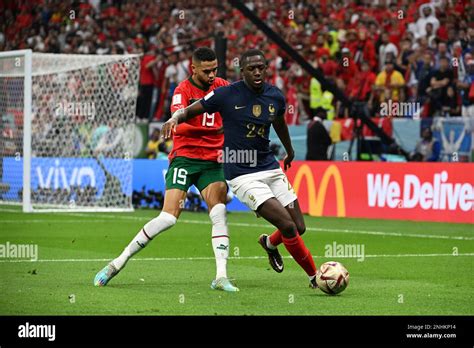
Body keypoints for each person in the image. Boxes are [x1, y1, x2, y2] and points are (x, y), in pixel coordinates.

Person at [163, 49, 319, 289]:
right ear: (242, 71)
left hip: (269, 165)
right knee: (287, 226)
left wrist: (290, 150)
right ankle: (315, 277)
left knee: (299, 226)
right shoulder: (226, 94)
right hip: (241, 173)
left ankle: (269, 244)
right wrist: (174, 119)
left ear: (266, 68)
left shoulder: (275, 96)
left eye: (261, 67)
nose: (257, 72)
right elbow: (194, 109)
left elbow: (279, 122)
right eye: (251, 68)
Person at [94, 47, 239, 292]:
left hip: (212, 161)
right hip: (184, 158)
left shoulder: (223, 85)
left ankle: (221, 277)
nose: (212, 74)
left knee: (219, 212)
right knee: (169, 217)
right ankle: (117, 263)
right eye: (206, 71)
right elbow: (178, 114)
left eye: (215, 69)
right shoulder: (182, 90)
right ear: (193, 68)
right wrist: (175, 120)